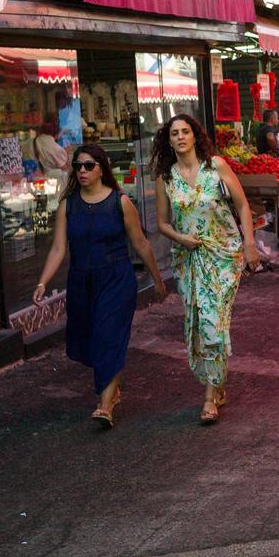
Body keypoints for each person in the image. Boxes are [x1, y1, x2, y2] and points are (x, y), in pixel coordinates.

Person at [33, 145, 167, 428]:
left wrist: (157, 279)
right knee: (90, 340)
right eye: (78, 165)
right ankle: (111, 387)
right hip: (82, 280)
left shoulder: (120, 202)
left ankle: (105, 405)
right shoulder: (68, 204)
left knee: (110, 335)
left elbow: (141, 243)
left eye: (89, 165)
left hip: (116, 278)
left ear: (101, 168)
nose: (82, 170)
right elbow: (58, 248)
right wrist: (43, 282)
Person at [153, 114, 260, 424]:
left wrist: (250, 244)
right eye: (174, 133)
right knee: (199, 322)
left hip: (224, 255)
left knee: (213, 320)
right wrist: (180, 237)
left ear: (194, 136)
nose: (180, 137)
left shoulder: (216, 166)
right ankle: (218, 383)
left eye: (185, 131)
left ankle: (209, 399)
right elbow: (161, 223)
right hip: (187, 259)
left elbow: (241, 205)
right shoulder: (166, 178)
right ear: (168, 140)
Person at [34, 120, 70, 187]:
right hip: (56, 181)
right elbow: (64, 167)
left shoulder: (37, 140)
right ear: (56, 134)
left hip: (41, 178)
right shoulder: (56, 148)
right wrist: (66, 153)